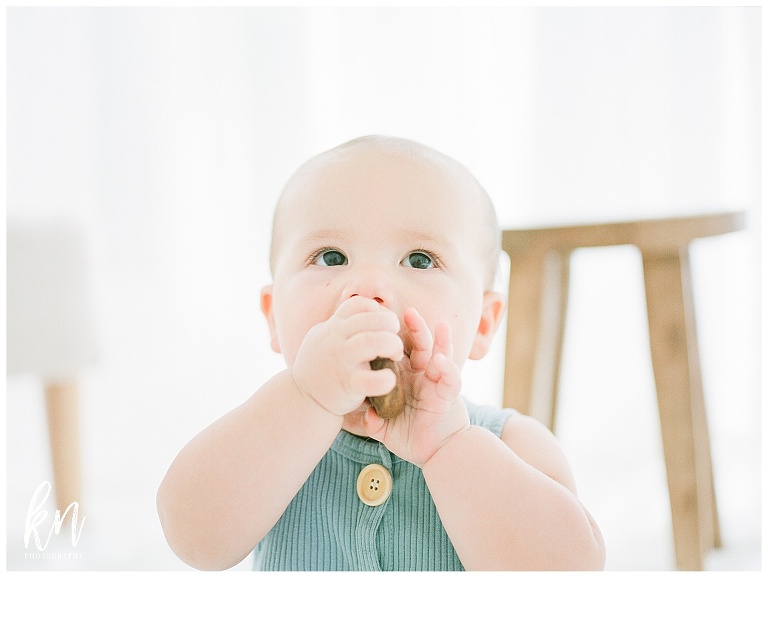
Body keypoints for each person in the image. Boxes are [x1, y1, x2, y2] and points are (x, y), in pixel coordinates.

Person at [156, 135, 605, 571]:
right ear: (274, 317)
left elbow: (570, 579)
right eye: (331, 257)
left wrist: (448, 446)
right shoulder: (261, 441)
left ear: (483, 324)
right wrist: (305, 397)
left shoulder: (513, 444)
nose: (369, 288)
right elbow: (194, 538)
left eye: (420, 259)